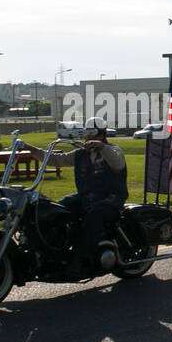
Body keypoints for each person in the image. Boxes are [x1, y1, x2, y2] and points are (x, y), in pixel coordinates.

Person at [47, 116, 129, 277]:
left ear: (102, 134)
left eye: (93, 134)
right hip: (87, 197)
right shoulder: (80, 154)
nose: (89, 137)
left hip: (111, 198)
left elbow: (117, 162)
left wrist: (102, 147)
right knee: (56, 208)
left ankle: (80, 261)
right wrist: (30, 150)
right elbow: (57, 160)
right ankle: (54, 253)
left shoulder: (113, 150)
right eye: (87, 133)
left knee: (94, 216)